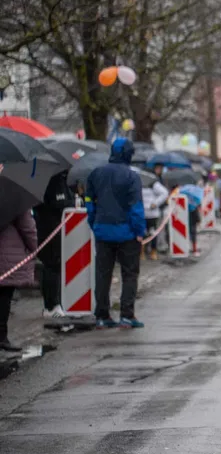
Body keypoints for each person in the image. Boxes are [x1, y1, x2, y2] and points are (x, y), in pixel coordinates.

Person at [86, 137, 147, 328]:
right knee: (129, 274)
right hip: (127, 234)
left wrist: (94, 224)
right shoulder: (132, 177)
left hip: (102, 232)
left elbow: (90, 203)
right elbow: (136, 207)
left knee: (103, 274)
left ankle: (102, 315)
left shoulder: (96, 174)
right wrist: (139, 231)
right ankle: (127, 315)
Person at [34, 169, 72, 317]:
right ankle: (53, 305)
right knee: (53, 267)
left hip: (48, 230)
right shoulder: (55, 180)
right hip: (51, 231)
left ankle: (50, 305)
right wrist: (73, 203)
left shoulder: (44, 177)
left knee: (50, 268)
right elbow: (60, 203)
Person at [0, 210, 38, 352]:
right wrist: (35, 247)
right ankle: (2, 337)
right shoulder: (15, 199)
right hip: (7, 255)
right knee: (4, 297)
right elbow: (27, 227)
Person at [141, 172, 168, 261]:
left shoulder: (153, 183)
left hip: (152, 214)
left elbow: (164, 193)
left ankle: (153, 251)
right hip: (141, 213)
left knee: (152, 233)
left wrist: (155, 204)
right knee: (142, 234)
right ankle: (142, 253)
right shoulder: (136, 182)